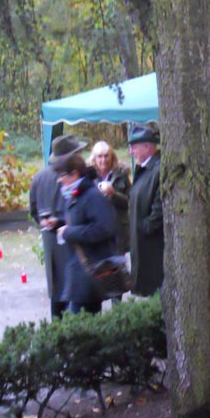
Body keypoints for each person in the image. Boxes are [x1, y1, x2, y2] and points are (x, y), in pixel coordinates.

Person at [52, 144, 118, 315]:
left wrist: (69, 232)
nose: (59, 180)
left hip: (89, 273)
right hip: (81, 275)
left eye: (61, 176)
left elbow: (105, 227)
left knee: (77, 323)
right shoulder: (76, 194)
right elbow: (80, 220)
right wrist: (58, 224)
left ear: (74, 174)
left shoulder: (92, 196)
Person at [29, 135, 85, 318]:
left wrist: (44, 223)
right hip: (72, 241)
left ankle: (57, 331)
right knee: (76, 297)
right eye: (78, 153)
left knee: (57, 297)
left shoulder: (39, 177)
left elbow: (33, 210)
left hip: (50, 242)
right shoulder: (73, 176)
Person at [88, 141, 131, 304]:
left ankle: (117, 308)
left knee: (116, 273)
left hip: (117, 232)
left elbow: (130, 201)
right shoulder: (88, 177)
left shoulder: (121, 175)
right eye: (99, 156)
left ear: (112, 157)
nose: (103, 160)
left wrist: (114, 194)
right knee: (97, 272)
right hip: (98, 233)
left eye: (106, 156)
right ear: (94, 159)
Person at [128, 124, 164, 297]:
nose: (131, 152)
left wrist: (146, 227)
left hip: (152, 249)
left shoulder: (158, 169)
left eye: (134, 147)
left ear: (147, 146)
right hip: (142, 245)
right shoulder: (144, 169)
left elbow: (160, 206)